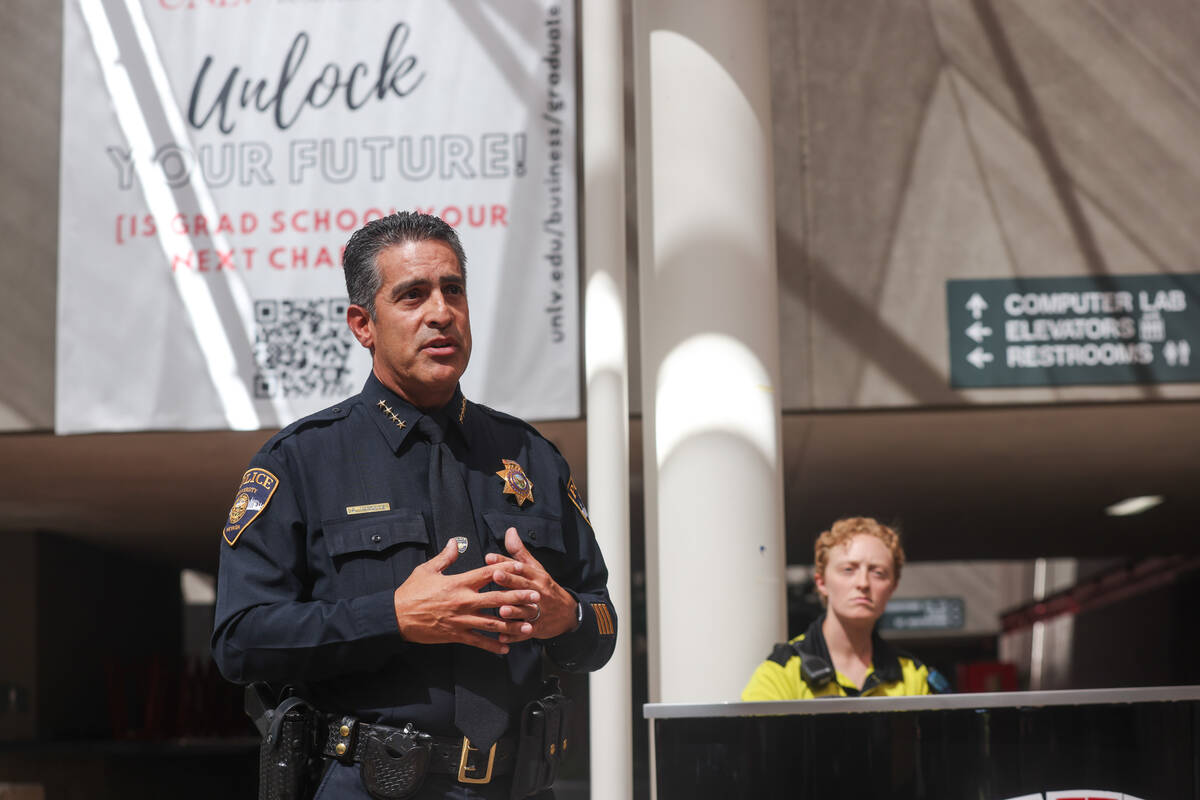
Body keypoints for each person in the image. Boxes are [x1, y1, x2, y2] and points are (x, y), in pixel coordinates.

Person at [212, 211, 617, 799]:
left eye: (454, 290)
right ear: (363, 324)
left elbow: (600, 622)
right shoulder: (299, 463)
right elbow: (240, 640)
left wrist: (565, 617)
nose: (441, 312)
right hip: (370, 783)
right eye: (412, 295)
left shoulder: (531, 456)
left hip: (520, 785)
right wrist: (393, 617)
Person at [741, 517, 943, 700]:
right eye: (848, 569)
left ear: (893, 587)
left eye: (878, 573)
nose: (863, 583)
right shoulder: (781, 672)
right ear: (821, 582)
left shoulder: (913, 676)